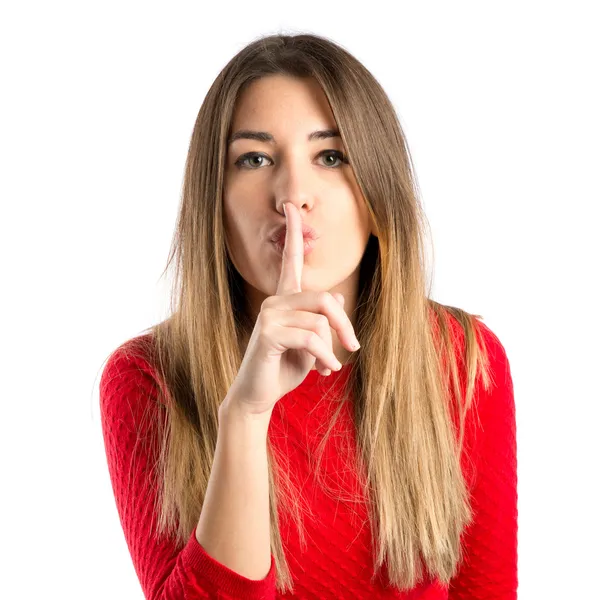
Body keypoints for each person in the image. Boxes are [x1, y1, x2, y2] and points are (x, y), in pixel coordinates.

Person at [99, 32, 517, 599]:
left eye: (331, 156)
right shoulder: (149, 378)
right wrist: (246, 415)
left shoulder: (464, 360)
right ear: (213, 204)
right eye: (255, 158)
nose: (293, 193)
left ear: (377, 197)